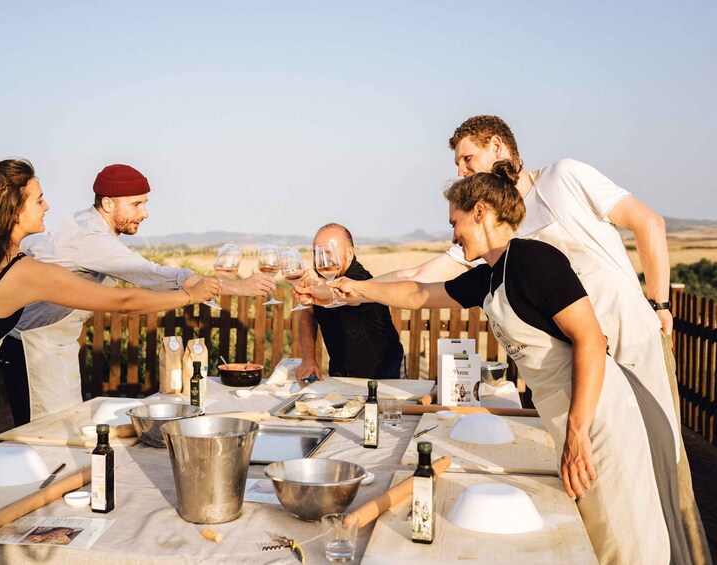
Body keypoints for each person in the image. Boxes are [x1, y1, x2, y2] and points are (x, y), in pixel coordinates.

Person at [298, 115, 709, 563]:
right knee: (599, 541)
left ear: (479, 212)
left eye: (454, 222)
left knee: (629, 548)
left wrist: (576, 433)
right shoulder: (490, 275)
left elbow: (590, 340)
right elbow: (416, 292)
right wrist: (349, 289)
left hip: (598, 419)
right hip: (570, 415)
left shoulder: (535, 258)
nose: (451, 234)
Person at [0, 158, 219, 478]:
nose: (47, 206)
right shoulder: (22, 272)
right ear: (14, 209)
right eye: (38, 200)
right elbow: (123, 300)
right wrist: (189, 295)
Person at [0, 164, 276, 426]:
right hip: (32, 350)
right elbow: (153, 276)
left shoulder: (84, 221)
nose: (145, 213)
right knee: (44, 440)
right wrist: (237, 287)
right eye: (136, 204)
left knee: (63, 431)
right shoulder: (90, 238)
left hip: (52, 348)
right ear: (108, 204)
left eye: (145, 203)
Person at [295, 223, 403, 386]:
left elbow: (347, 295)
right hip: (339, 371)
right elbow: (307, 314)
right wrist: (309, 359)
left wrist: (317, 289)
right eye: (317, 253)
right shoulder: (320, 281)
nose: (322, 259)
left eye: (329, 252)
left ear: (350, 253)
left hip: (381, 373)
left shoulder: (361, 279)